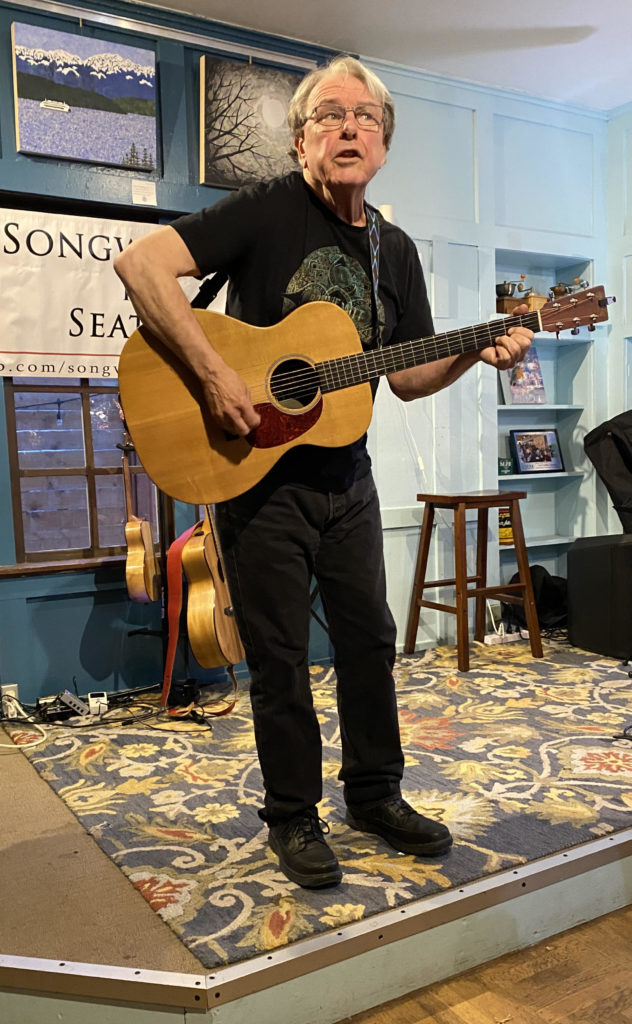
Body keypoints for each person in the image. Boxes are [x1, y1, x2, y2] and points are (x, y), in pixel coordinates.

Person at [114, 55, 533, 889]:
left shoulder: (394, 250)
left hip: (348, 479)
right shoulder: (268, 209)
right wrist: (214, 375)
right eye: (329, 115)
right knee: (279, 656)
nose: (349, 128)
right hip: (256, 480)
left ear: (384, 144)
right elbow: (140, 266)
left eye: (365, 117)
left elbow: (405, 377)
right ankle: (293, 816)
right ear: (301, 140)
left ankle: (375, 795)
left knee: (370, 642)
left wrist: (471, 351)